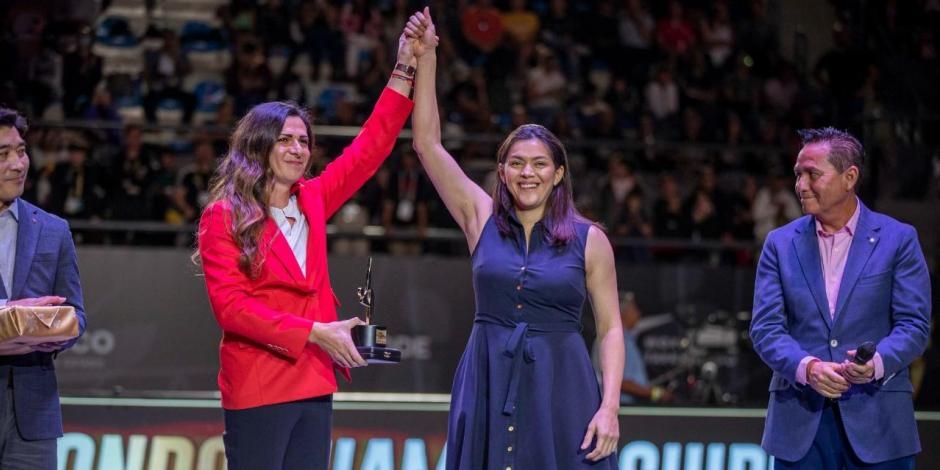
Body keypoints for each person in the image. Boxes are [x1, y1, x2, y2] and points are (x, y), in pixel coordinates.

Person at [194, 17, 424, 470]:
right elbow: (232, 310)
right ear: (259, 147)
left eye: (304, 140)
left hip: (314, 380)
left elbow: (370, 147)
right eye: (285, 140)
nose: (299, 149)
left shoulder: (314, 199)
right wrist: (315, 332)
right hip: (259, 383)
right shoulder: (223, 215)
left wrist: (403, 68)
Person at [408, 9, 623, 468]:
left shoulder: (590, 239)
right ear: (502, 172)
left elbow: (610, 329)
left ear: (559, 173)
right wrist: (426, 62)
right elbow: (427, 144)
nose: (528, 173)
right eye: (517, 163)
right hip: (488, 375)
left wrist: (609, 407)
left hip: (562, 384)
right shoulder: (479, 218)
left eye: (540, 163)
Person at [750, 127, 931, 469]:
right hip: (801, 425)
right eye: (798, 174)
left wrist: (875, 364)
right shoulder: (779, 243)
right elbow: (765, 329)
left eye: (812, 174)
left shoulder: (899, 239)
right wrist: (809, 368)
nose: (800, 185)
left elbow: (914, 326)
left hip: (880, 424)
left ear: (850, 177)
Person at [0, 107, 86, 469]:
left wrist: (52, 331)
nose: (18, 164)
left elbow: (76, 315)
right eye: (3, 154)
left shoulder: (53, 229)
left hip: (33, 417)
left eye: (21, 151)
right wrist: (10, 318)